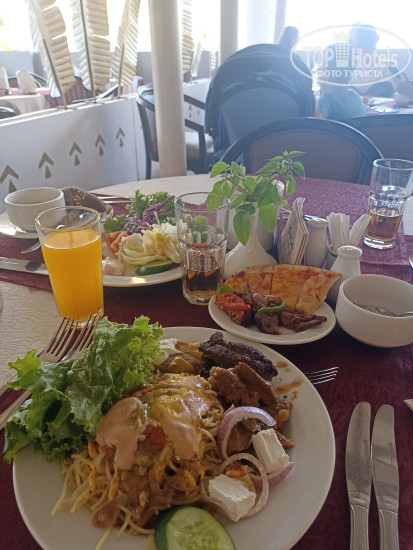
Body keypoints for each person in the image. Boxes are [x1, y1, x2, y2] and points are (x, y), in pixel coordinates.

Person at [314, 43, 365, 120]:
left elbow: (315, 123)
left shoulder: (326, 99)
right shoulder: (356, 97)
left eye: (320, 70)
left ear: (327, 73)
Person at [349, 24, 397, 97]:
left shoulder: (390, 66)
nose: (366, 43)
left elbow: (397, 94)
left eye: (369, 39)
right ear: (377, 38)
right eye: (364, 40)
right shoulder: (349, 69)